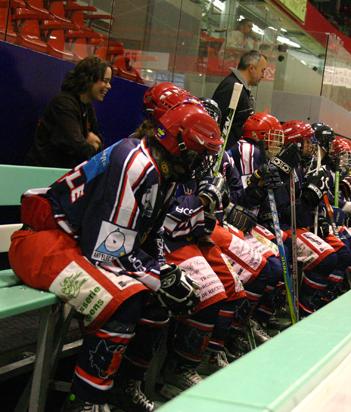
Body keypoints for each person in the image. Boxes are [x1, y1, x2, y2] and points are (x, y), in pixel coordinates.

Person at [9, 99, 222, 411]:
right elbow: (108, 248)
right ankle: (85, 401)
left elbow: (148, 235)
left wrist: (163, 272)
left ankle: (124, 386)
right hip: (43, 241)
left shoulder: (163, 170)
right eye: (201, 152)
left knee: (157, 302)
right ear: (179, 145)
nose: (203, 162)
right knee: (127, 300)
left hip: (77, 242)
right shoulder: (135, 163)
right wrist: (159, 276)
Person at [26, 56, 110, 168]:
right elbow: (76, 147)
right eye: (105, 81)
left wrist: (91, 145)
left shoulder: (87, 106)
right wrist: (92, 146)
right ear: (89, 79)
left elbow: (99, 143)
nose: (109, 86)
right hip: (43, 172)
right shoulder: (63, 104)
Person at [212, 50, 268, 150]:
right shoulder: (232, 87)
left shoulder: (241, 89)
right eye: (262, 70)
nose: (263, 75)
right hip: (224, 152)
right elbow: (218, 123)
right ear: (251, 68)